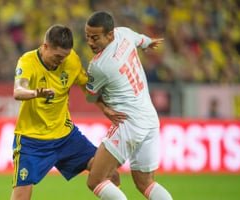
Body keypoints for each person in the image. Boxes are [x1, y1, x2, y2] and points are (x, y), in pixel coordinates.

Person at [11, 24, 119, 200]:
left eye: (65, 56)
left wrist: (105, 109)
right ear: (45, 46)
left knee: (110, 174)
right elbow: (18, 91)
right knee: (21, 196)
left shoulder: (71, 60)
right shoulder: (27, 61)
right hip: (32, 141)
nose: (61, 61)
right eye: (58, 56)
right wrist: (35, 93)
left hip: (66, 137)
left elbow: (87, 89)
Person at [84, 11, 173, 200]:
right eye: (87, 37)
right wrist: (150, 42)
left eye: (95, 37)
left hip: (128, 123)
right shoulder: (124, 33)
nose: (90, 42)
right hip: (149, 120)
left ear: (110, 34)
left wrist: (104, 108)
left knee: (96, 180)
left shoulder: (99, 66)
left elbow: (90, 96)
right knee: (145, 183)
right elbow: (142, 40)